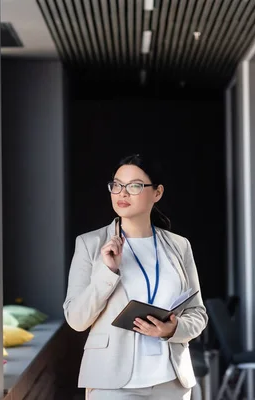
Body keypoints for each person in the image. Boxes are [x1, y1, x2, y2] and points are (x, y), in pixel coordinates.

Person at [63, 154, 207, 399]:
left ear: (157, 193)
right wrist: (108, 272)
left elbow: (198, 313)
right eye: (117, 185)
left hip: (171, 381)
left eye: (135, 186)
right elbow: (76, 319)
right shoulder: (90, 244)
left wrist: (173, 329)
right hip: (112, 383)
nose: (122, 193)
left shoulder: (179, 246)